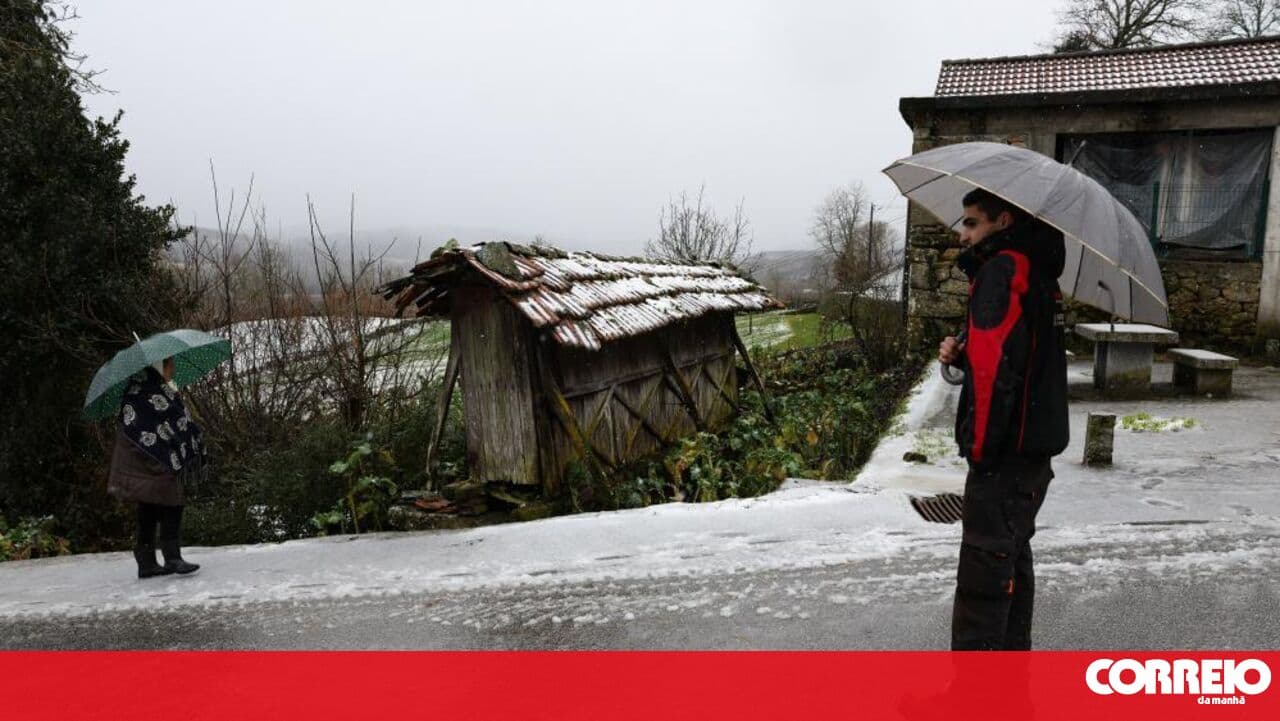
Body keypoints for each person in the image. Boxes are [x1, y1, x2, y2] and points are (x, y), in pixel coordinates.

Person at [937, 188, 1068, 650]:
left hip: (1004, 456)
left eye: (972, 222)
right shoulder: (1037, 271)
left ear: (1003, 220)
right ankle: (1007, 685)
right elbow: (1015, 354)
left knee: (982, 579)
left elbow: (996, 376)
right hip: (1032, 451)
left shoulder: (1002, 271)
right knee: (1010, 563)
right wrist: (965, 349)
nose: (963, 232)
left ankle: (974, 699)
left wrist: (979, 449)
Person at [108, 356, 204, 579]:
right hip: (152, 458)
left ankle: (146, 561)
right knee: (172, 502)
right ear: (159, 367)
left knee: (149, 507)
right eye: (170, 365)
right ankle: (172, 557)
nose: (174, 369)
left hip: (145, 458)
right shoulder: (149, 392)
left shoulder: (146, 388)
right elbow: (163, 423)